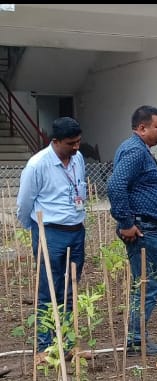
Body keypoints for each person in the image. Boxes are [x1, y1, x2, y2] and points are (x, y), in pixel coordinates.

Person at [17, 117, 88, 364]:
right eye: (71, 143)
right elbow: (24, 202)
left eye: (79, 141)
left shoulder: (77, 158)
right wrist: (35, 229)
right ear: (55, 141)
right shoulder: (37, 165)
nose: (76, 147)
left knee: (71, 289)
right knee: (48, 290)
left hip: (77, 230)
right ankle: (44, 348)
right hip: (50, 232)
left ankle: (69, 345)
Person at [107, 105, 157, 356]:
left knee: (145, 283)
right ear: (142, 128)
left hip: (145, 226)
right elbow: (115, 185)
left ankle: (137, 338)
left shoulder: (137, 149)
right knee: (148, 284)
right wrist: (126, 223)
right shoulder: (135, 150)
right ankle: (135, 341)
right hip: (143, 228)